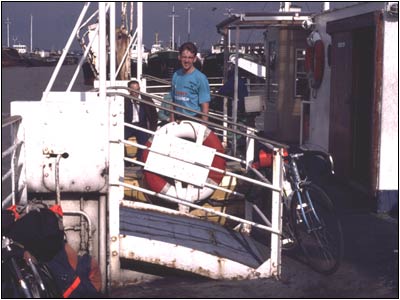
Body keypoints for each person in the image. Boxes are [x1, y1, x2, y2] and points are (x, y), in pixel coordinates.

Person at [169, 42, 210, 122]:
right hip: (178, 119)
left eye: (190, 57)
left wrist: (204, 125)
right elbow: (173, 100)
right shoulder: (176, 75)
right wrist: (172, 119)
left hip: (194, 119)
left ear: (194, 59)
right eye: (184, 57)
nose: (186, 60)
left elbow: (205, 105)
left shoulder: (201, 78)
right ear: (179, 57)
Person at [125, 80, 158, 160]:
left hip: (141, 125)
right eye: (134, 90)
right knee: (118, 137)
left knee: (144, 143)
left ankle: (140, 160)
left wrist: (152, 130)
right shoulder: (125, 100)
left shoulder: (146, 99)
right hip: (128, 125)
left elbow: (154, 115)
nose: (136, 92)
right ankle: (125, 160)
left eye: (138, 89)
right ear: (129, 90)